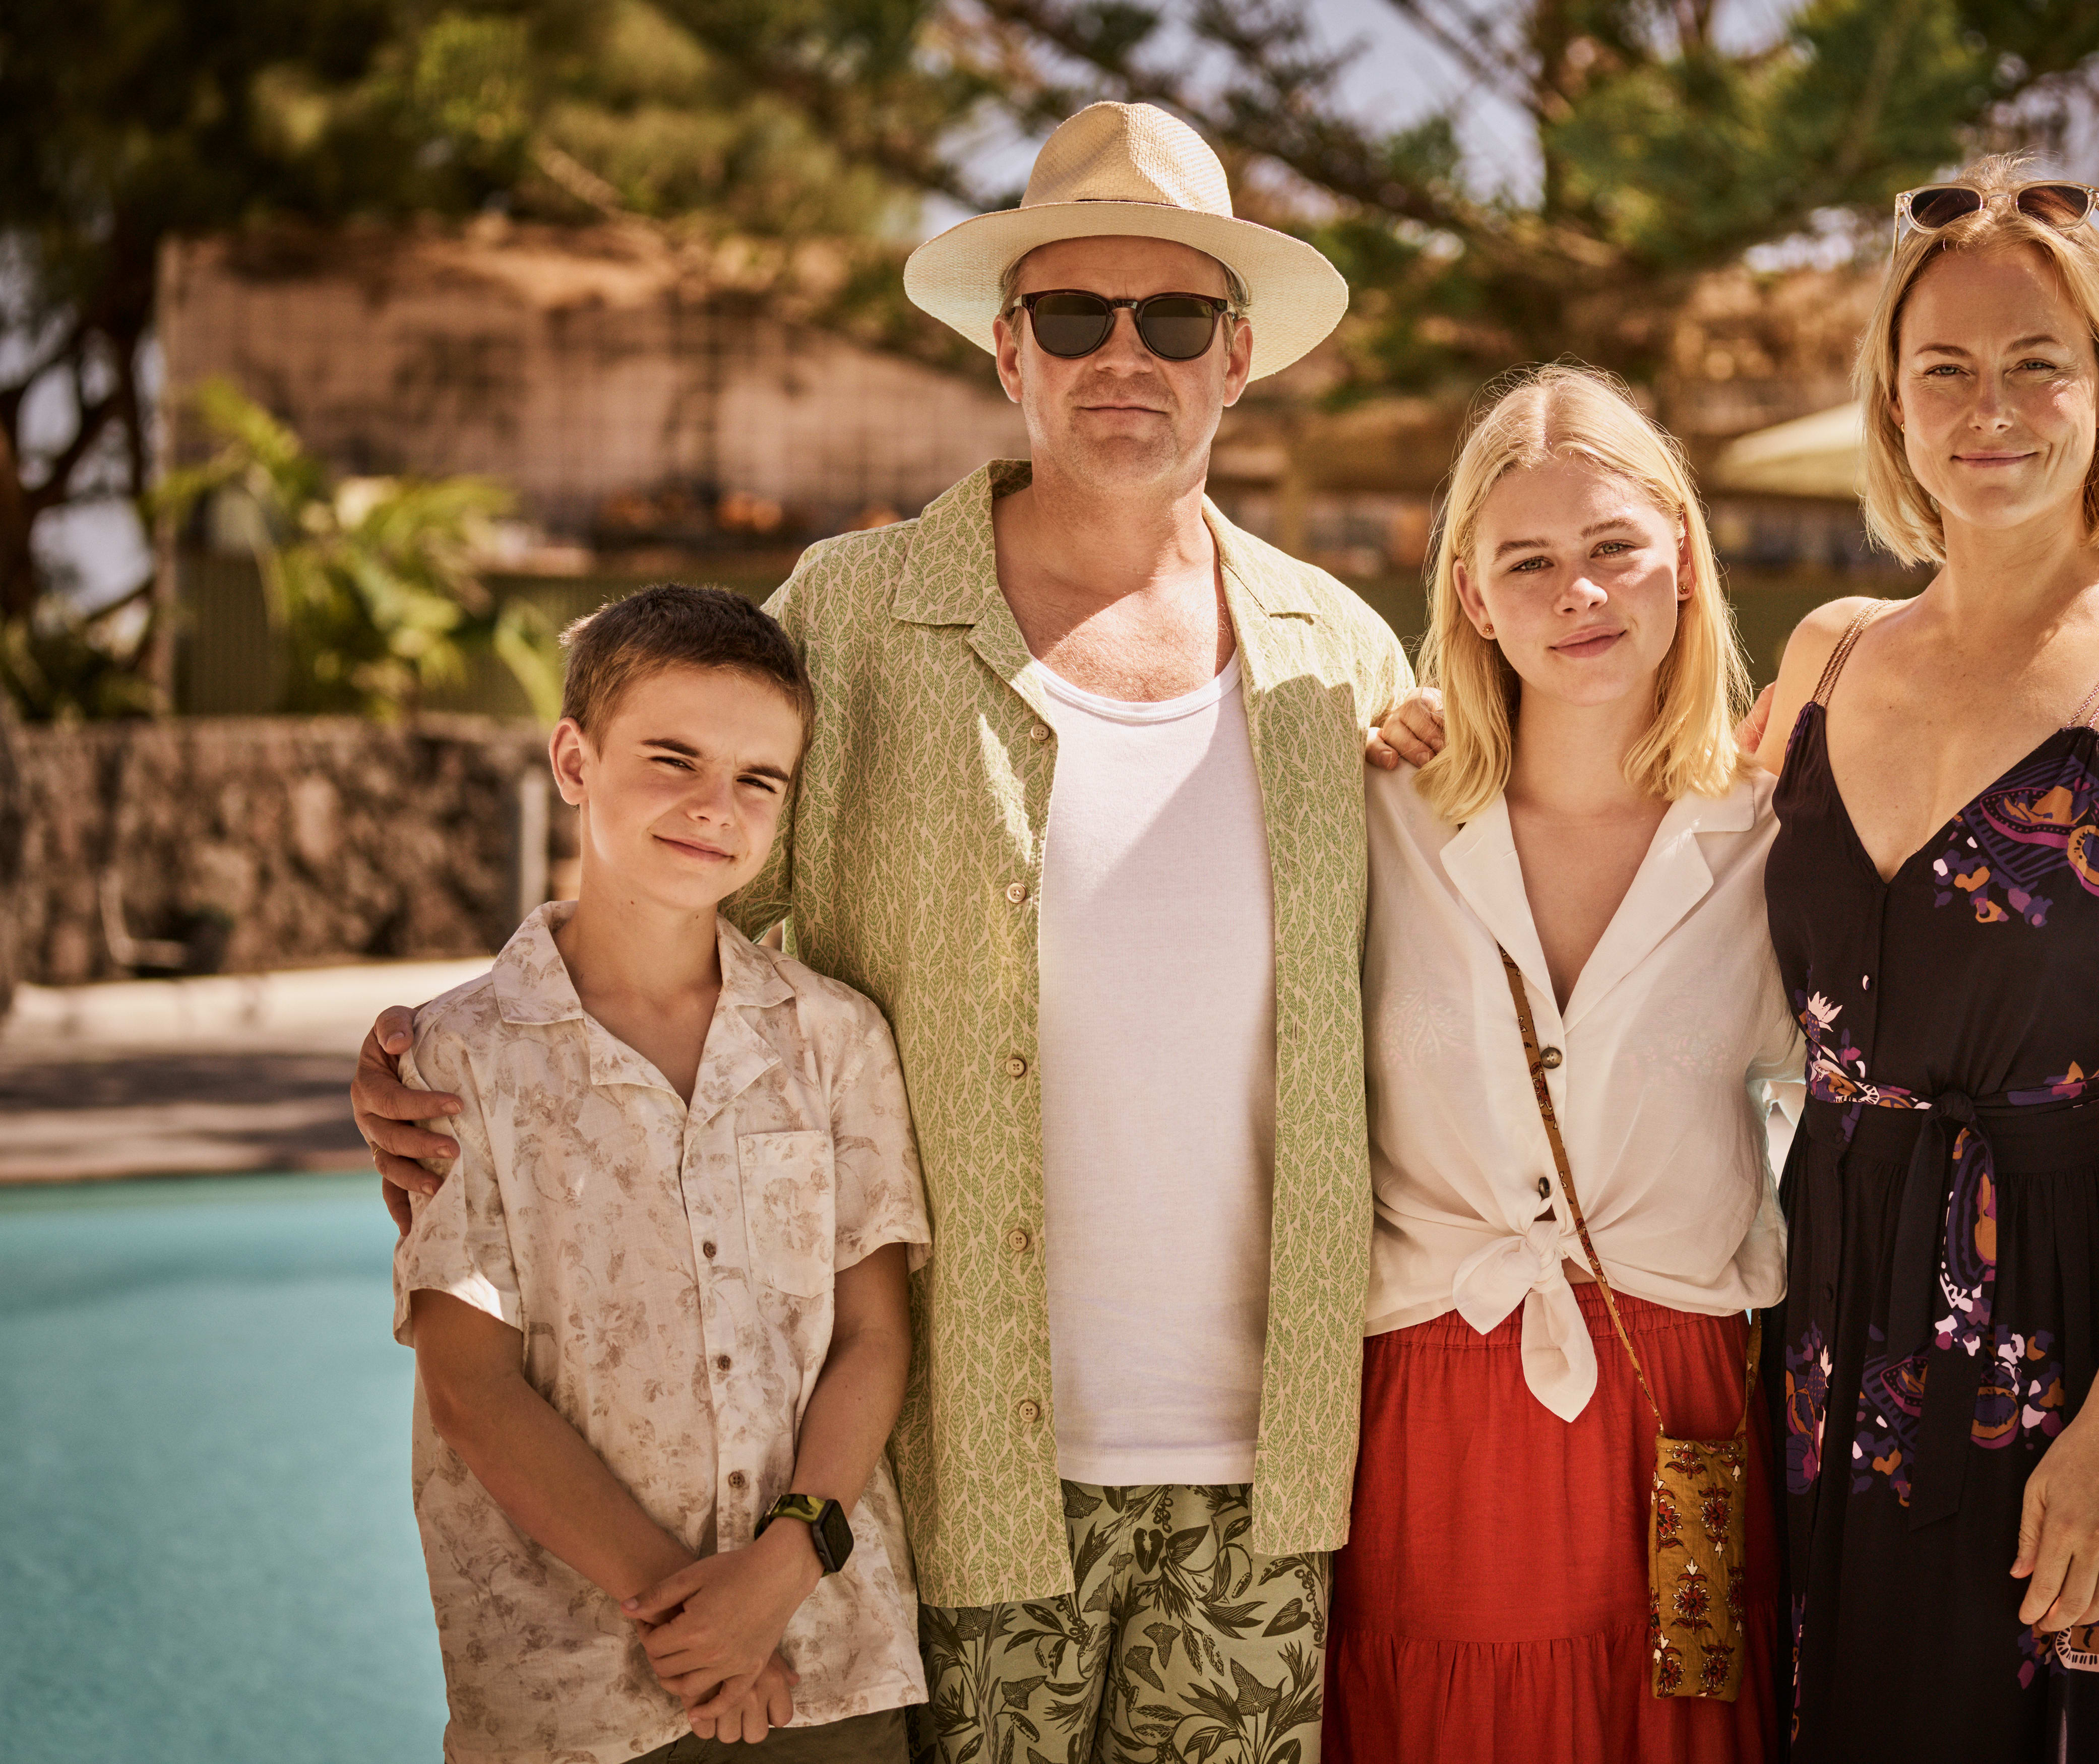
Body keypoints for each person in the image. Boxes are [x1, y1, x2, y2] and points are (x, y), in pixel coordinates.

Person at [354, 102, 1411, 1764]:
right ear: (1010, 352)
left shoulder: (1340, 659)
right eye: (1074, 315)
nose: (1121, 354)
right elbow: (680, 864)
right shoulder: (846, 620)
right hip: (957, 1473)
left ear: (1239, 358)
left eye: (1175, 318)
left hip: (1268, 1477)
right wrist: (459, 1060)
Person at [1744, 161, 2099, 1760]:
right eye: (1945, 370)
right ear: (1894, 407)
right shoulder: (1828, 653)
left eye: (2035, 363)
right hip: (1827, 1282)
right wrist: (1423, 735)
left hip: (2056, 1316)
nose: (1990, 408)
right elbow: (1638, 835)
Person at [1327, 366, 1797, 1761]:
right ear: (1470, 595)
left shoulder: (1776, 837)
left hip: (1682, 1412)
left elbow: (1904, 1062)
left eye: (1611, 550)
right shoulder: (1376, 807)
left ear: (1683, 565)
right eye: (1526, 561)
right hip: (1433, 1409)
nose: (1576, 592)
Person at [394, 585, 930, 1764]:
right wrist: (694, 1621)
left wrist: (778, 1573)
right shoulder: (460, 1054)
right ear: (575, 759)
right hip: (569, 1685)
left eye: (758, 780)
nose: (713, 808)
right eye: (672, 759)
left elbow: (872, 1337)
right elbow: (472, 1386)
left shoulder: (835, 1038)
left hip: (825, 1664)